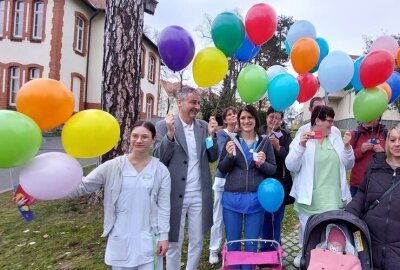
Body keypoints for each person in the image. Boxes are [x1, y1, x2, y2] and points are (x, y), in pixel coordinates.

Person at [60, 121, 170, 270]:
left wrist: (163, 236)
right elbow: (83, 186)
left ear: (153, 140)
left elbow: (164, 207)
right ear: (129, 138)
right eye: (135, 136)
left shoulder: (160, 170)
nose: (139, 140)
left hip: (149, 239)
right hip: (120, 238)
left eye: (145, 137)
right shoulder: (114, 166)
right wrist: (48, 191)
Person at [153, 87, 219, 270]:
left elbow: (213, 156)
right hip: (175, 193)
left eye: (198, 103)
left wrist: (212, 135)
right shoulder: (164, 125)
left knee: (197, 240)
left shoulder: (203, 127)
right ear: (179, 102)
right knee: (174, 241)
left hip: (199, 193)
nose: (197, 106)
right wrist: (170, 134)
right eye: (193, 102)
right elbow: (159, 157)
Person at [286, 105, 354, 268]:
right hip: (310, 202)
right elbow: (291, 165)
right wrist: (301, 146)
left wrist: (347, 148)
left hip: (334, 201)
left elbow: (349, 164)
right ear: (317, 120)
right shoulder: (303, 137)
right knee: (309, 241)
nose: (332, 124)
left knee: (333, 242)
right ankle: (307, 263)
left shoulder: (335, 136)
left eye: (333, 121)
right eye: (329, 121)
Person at [218, 105, 276, 270]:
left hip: (255, 200)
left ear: (255, 120)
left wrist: (262, 163)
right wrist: (229, 156)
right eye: (242, 118)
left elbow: (272, 169)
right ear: (238, 121)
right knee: (233, 244)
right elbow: (222, 168)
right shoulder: (232, 140)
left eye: (250, 117)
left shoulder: (264, 141)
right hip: (232, 200)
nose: (246, 121)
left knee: (251, 245)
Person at [346, 124, 400, 269]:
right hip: (369, 242)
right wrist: (346, 217)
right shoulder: (375, 166)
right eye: (393, 140)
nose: (397, 144)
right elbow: (362, 195)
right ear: (387, 142)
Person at [259, 107, 294, 253]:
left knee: (277, 218)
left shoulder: (285, 135)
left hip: (280, 182)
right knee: (264, 218)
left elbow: (290, 160)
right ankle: (265, 247)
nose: (274, 120)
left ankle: (276, 246)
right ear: (267, 117)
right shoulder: (258, 132)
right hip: (262, 181)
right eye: (272, 117)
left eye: (278, 118)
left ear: (281, 119)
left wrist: (278, 147)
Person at [209, 106, 237, 264]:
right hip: (222, 180)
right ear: (225, 119)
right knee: (218, 217)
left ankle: (229, 245)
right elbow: (220, 155)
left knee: (232, 217)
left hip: (236, 181)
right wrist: (212, 131)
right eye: (229, 115)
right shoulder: (221, 134)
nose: (233, 116)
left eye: (235, 114)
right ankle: (213, 249)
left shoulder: (242, 134)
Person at [349, 117, 387, 197]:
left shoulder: (386, 134)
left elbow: (393, 158)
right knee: (355, 209)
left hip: (379, 185)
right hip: (357, 186)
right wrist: (361, 150)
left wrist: (383, 153)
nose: (367, 118)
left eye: (371, 115)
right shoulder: (355, 134)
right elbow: (347, 158)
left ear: (378, 117)